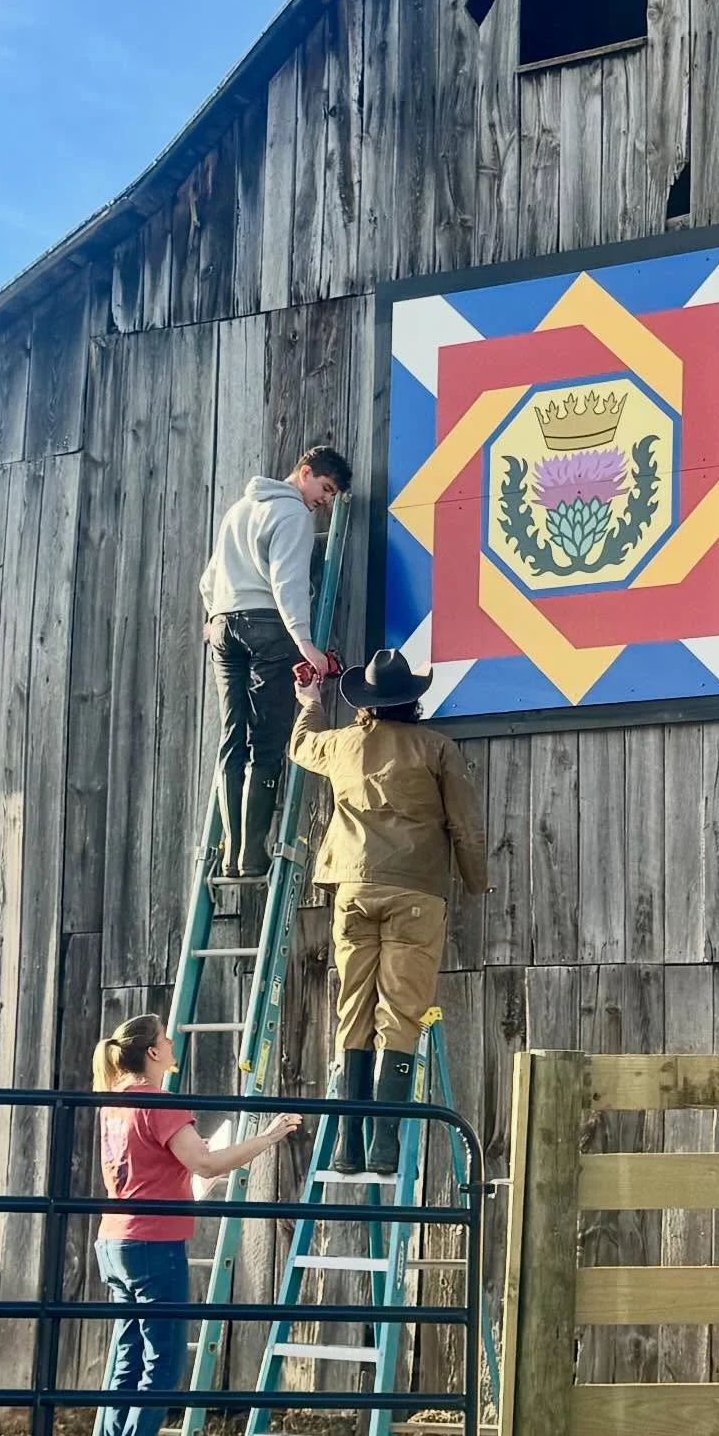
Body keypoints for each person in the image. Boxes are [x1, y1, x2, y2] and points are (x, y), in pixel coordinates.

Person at [289, 649, 490, 1175]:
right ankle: (384, 1144)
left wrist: (309, 702)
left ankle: (346, 1147)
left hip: (352, 889)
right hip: (417, 893)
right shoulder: (437, 749)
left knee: (352, 1011)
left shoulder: (342, 744)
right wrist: (476, 882)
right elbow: (465, 825)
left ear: (367, 700)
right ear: (413, 700)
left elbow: (301, 744)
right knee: (399, 1014)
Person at [92, 1013, 301, 1436]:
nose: (172, 1042)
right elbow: (205, 1163)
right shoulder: (159, 1104)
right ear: (153, 1053)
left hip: (115, 1239)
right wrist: (269, 1137)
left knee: (128, 1354)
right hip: (153, 1242)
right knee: (161, 1360)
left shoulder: (114, 1104)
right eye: (166, 1039)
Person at [199, 445, 352, 879]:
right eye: (324, 488)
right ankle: (251, 856)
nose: (325, 501)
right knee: (266, 741)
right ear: (304, 473)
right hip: (268, 626)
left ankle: (230, 855)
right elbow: (287, 581)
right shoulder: (292, 516)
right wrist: (304, 642)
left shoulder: (239, 510)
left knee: (233, 734)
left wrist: (213, 616)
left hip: (225, 628)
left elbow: (208, 578)